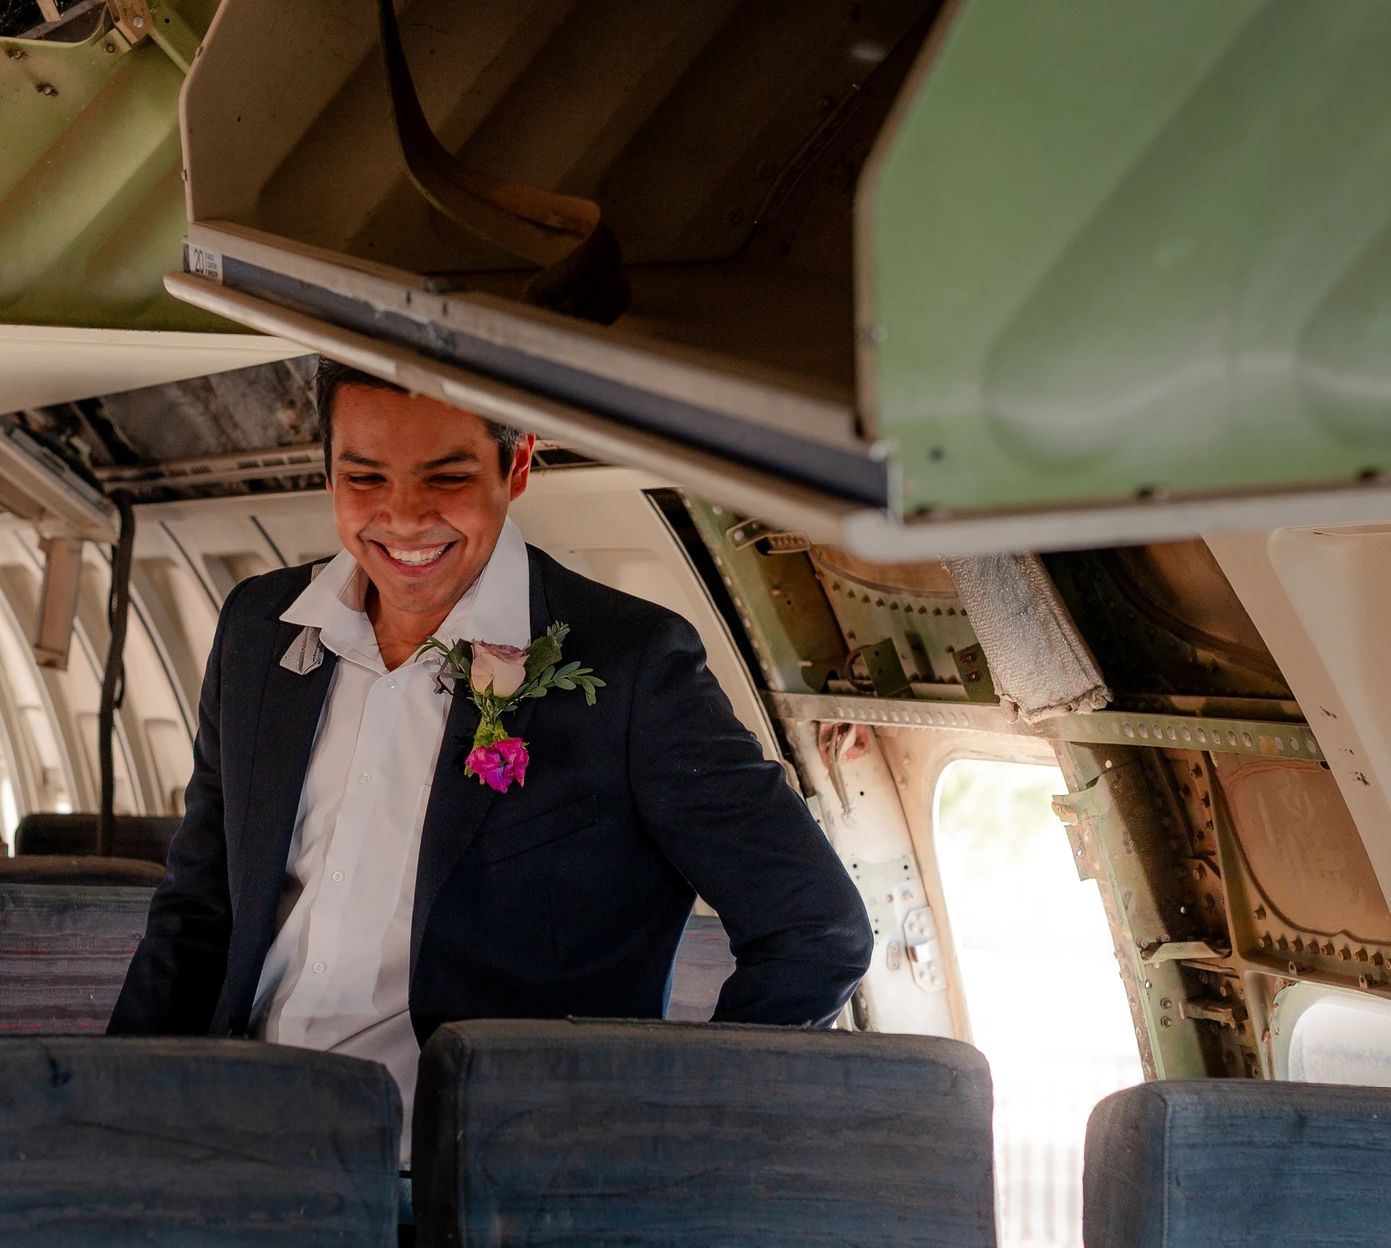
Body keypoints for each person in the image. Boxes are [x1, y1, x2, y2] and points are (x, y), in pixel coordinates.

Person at [110, 358, 872, 1160]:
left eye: (446, 476)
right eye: (364, 476)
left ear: (517, 464)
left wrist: (668, 1137)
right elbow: (200, 912)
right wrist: (107, 1123)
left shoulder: (630, 666)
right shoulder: (260, 627)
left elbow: (815, 927)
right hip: (234, 1146)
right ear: (326, 469)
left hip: (475, 1183)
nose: (403, 518)